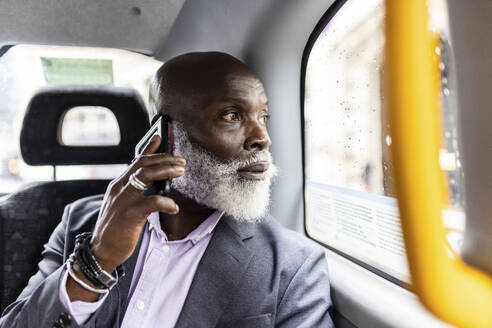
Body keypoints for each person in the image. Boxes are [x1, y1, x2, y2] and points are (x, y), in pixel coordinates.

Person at [0, 52, 334, 327]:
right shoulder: (81, 220)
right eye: (232, 115)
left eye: (264, 116)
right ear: (165, 135)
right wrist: (96, 261)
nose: (262, 138)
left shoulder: (293, 265)